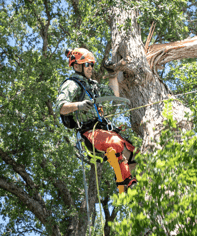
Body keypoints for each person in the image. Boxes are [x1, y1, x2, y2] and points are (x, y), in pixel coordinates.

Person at [55, 48, 138, 194]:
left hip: (104, 129)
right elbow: (61, 106)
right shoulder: (72, 84)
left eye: (92, 65)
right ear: (77, 66)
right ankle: (126, 184)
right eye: (87, 65)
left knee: (132, 150)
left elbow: (113, 94)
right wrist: (79, 105)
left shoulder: (93, 85)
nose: (91, 68)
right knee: (116, 144)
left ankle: (137, 181)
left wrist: (112, 74)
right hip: (89, 132)